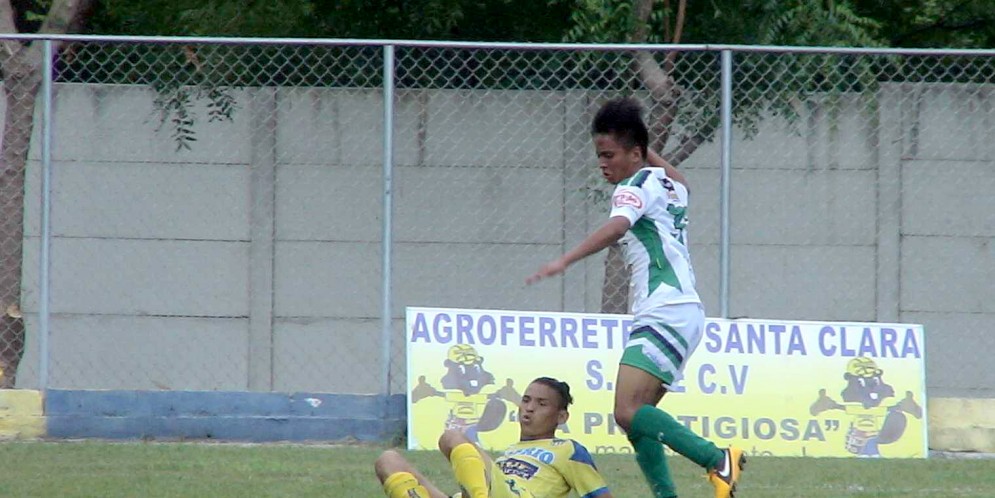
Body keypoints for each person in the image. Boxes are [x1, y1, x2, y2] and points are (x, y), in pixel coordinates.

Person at [526, 97, 745, 498]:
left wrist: (565, 260)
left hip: (665, 311)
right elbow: (683, 181)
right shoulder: (668, 184)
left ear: (635, 154)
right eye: (599, 155)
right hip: (681, 312)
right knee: (637, 418)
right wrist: (640, 142)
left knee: (627, 411)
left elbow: (617, 226)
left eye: (609, 155)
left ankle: (717, 459)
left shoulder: (633, 187)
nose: (602, 163)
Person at [374, 377, 612, 498]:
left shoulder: (568, 449)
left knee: (452, 437)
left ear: (561, 417)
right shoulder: (510, 452)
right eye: (526, 400)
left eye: (541, 404)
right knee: (388, 460)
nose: (529, 408)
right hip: (488, 491)